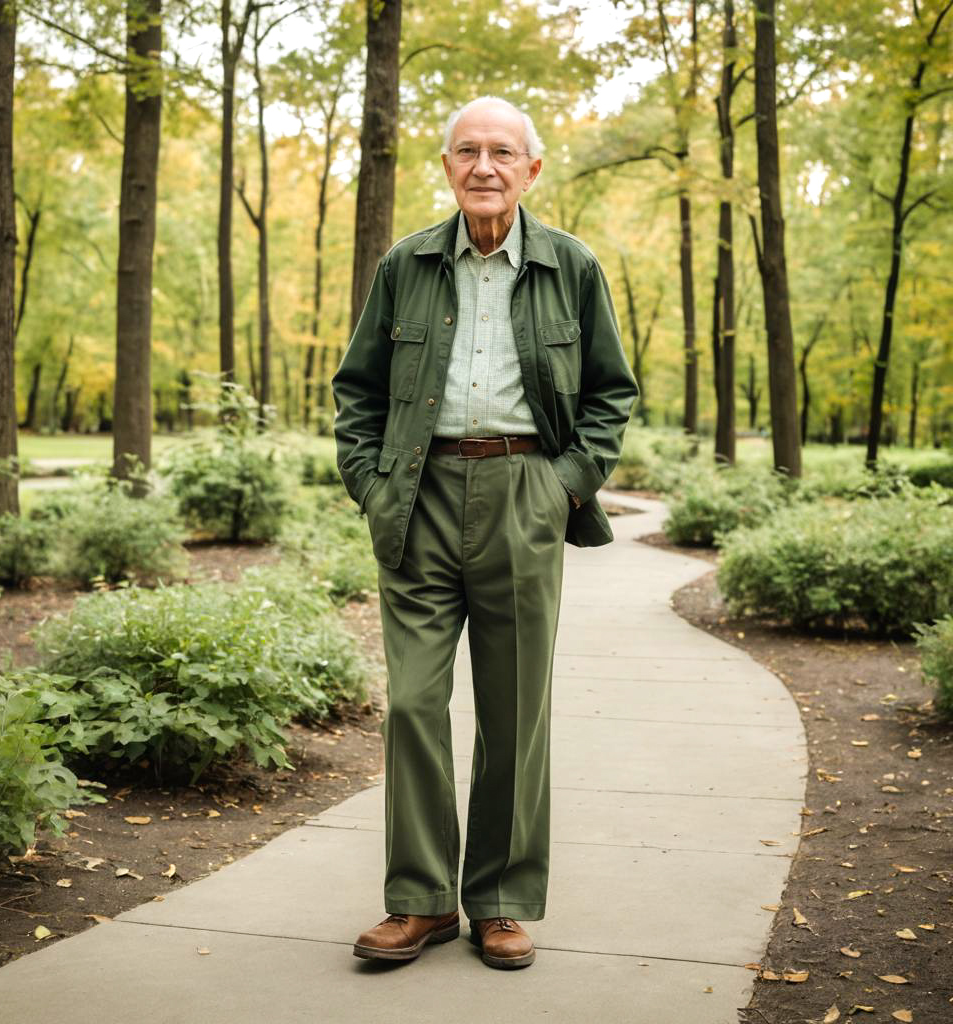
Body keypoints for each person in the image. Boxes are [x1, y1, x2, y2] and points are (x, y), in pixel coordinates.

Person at [332, 95, 638, 971]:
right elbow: (358, 390)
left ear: (532, 169)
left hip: (524, 492)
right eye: (467, 151)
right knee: (413, 703)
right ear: (446, 166)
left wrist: (563, 486)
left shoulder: (571, 267)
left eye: (503, 152)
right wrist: (372, 482)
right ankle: (421, 903)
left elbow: (612, 393)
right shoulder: (407, 264)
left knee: (513, 713)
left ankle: (500, 902)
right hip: (419, 494)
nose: (484, 167)